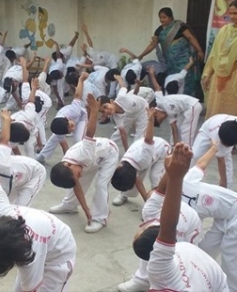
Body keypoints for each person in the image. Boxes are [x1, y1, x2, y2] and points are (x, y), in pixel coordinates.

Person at [0, 121, 76, 291]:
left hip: (59, 254)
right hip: (39, 232)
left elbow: (31, 288)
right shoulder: (0, 211)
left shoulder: (29, 255)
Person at [145, 142, 229, 291]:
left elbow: (161, 191)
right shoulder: (163, 270)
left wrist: (172, 173)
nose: (152, 196)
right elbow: (168, 229)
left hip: (205, 266)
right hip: (207, 267)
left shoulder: (152, 211)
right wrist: (175, 176)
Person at [182, 142, 237, 292]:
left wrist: (214, 148)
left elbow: (201, 163)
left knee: (232, 264)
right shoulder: (179, 209)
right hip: (222, 217)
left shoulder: (184, 180)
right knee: (203, 252)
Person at [118, 159, 202, 292]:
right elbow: (162, 189)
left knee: (180, 260)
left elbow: (164, 188)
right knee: (150, 250)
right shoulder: (150, 209)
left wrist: (172, 171)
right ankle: (142, 279)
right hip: (174, 224)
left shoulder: (151, 212)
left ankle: (154, 280)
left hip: (191, 224)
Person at [49, 90, 118, 233]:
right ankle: (69, 206)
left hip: (108, 153)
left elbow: (90, 132)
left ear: (68, 165)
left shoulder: (81, 153)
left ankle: (100, 218)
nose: (79, 176)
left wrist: (94, 111)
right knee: (78, 182)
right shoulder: (68, 165)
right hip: (91, 161)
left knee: (100, 185)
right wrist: (86, 210)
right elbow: (77, 185)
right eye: (76, 176)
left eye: (76, 174)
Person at [136, 8, 204, 97]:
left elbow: (190, 38)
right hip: (170, 63)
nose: (161, 20)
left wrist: (199, 50)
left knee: (186, 78)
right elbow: (152, 45)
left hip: (183, 60)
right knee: (172, 80)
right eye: (160, 17)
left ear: (171, 17)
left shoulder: (179, 27)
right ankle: (173, 98)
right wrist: (141, 55)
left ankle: (188, 98)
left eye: (164, 17)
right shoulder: (159, 30)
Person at [111, 108, 171, 206]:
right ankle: (125, 194)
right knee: (126, 178)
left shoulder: (143, 159)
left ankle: (156, 205)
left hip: (162, 150)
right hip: (146, 154)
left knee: (156, 180)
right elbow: (135, 180)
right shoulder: (124, 162)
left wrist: (150, 121)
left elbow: (148, 140)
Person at [36, 72, 89, 164]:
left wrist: (81, 80)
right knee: (54, 139)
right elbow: (64, 147)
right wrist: (67, 161)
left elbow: (77, 96)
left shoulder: (73, 112)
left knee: (78, 140)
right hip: (65, 122)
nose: (73, 129)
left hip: (81, 117)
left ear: (67, 119)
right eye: (70, 131)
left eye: (71, 126)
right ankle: (41, 157)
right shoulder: (59, 129)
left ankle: (82, 159)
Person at [147, 65, 201, 146]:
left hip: (192, 106)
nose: (163, 119)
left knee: (186, 131)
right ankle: (175, 147)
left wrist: (151, 73)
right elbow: (174, 129)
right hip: (184, 110)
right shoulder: (168, 113)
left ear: (156, 113)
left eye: (160, 119)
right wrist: (175, 144)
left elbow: (157, 87)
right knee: (180, 128)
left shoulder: (160, 102)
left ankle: (187, 151)